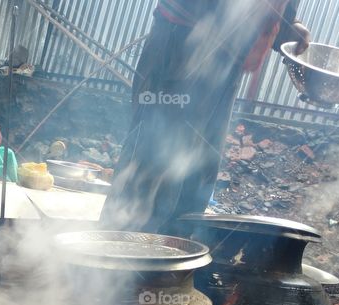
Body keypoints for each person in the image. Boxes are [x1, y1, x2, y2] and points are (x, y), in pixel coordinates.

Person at [99, 0, 310, 235]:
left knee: (199, 168)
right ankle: (116, 256)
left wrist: (289, 26)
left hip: (228, 62)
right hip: (180, 43)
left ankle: (174, 258)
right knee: (153, 161)